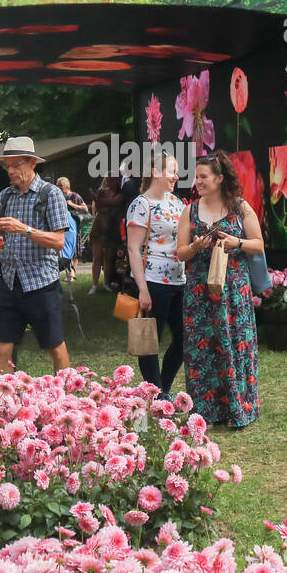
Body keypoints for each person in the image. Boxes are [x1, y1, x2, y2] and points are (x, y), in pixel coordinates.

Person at [175, 150, 264, 428]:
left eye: (203, 176)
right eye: (196, 176)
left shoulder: (240, 207)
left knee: (235, 345)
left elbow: (258, 244)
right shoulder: (190, 209)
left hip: (233, 291)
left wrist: (236, 242)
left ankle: (239, 409)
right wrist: (195, 247)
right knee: (202, 351)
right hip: (199, 291)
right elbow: (180, 253)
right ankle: (205, 413)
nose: (197, 181)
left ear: (219, 178)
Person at [0, 136, 72, 372]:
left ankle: (67, 399)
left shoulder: (51, 194)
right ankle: (4, 403)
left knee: (54, 346)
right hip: (9, 281)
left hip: (41, 282)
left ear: (32, 164)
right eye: (8, 166)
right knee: (0, 346)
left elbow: (59, 242)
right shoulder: (5, 196)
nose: (11, 171)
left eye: (16, 165)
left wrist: (24, 229)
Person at [125, 151, 186, 399]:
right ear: (156, 173)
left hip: (179, 280)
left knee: (184, 340)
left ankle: (164, 389)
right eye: (172, 170)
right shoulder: (141, 205)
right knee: (148, 342)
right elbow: (133, 248)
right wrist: (142, 289)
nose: (176, 175)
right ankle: (158, 394)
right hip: (152, 282)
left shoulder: (178, 203)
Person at [89, 176, 123, 294]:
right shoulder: (101, 192)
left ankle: (106, 284)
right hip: (99, 228)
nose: (111, 182)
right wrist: (97, 198)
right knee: (96, 258)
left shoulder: (120, 194)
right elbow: (97, 206)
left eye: (114, 179)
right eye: (109, 179)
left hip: (112, 230)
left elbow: (114, 202)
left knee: (108, 259)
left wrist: (97, 198)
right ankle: (94, 285)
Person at [58, 177, 89, 281]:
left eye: (60, 185)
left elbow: (85, 208)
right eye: (57, 185)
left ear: (66, 186)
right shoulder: (57, 196)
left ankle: (72, 273)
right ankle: (68, 272)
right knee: (64, 249)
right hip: (62, 227)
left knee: (74, 249)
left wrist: (72, 205)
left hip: (74, 227)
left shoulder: (74, 196)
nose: (58, 187)